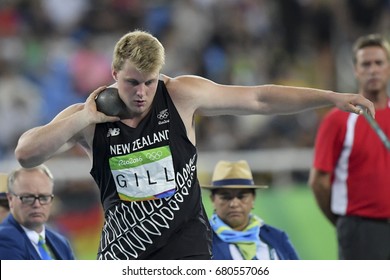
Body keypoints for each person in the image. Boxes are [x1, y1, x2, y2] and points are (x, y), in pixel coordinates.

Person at [14, 30, 374, 260]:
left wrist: (329, 96)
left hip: (185, 244)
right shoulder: (88, 116)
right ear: (114, 75)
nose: (141, 94)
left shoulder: (181, 95)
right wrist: (83, 119)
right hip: (124, 250)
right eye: (131, 83)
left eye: (149, 83)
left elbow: (259, 99)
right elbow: (26, 153)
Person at [308, 33, 390, 260]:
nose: (373, 69)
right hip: (361, 230)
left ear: (388, 67)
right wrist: (345, 222)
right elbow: (318, 182)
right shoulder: (337, 120)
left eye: (379, 63)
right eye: (366, 64)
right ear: (355, 70)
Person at [202, 160, 299, 260]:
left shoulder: (278, 238)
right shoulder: (200, 243)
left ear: (253, 199)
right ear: (212, 200)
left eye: (242, 196)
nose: (234, 204)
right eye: (226, 197)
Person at [0, 165, 75, 260]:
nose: (37, 204)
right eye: (27, 198)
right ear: (10, 199)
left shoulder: (60, 242)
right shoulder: (5, 239)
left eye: (44, 197)